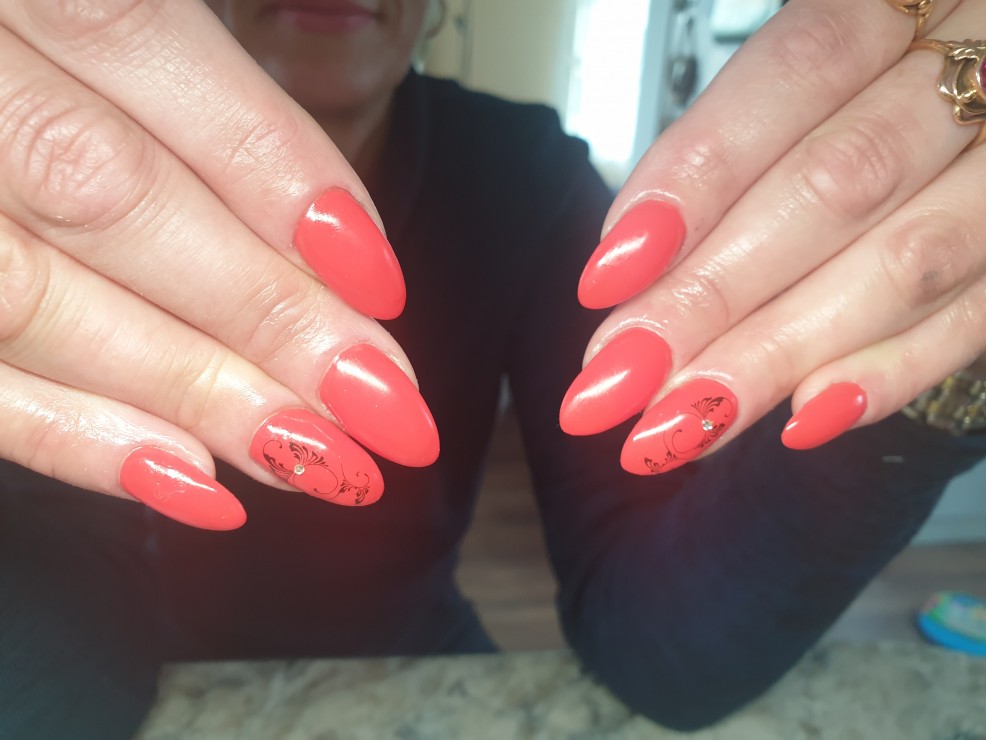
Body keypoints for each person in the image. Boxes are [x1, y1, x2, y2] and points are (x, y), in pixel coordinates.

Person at [0, 0, 984, 736]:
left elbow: (664, 653)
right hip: (135, 656)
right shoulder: (46, 193)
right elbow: (57, 682)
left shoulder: (517, 169)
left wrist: (939, 350)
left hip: (420, 658)